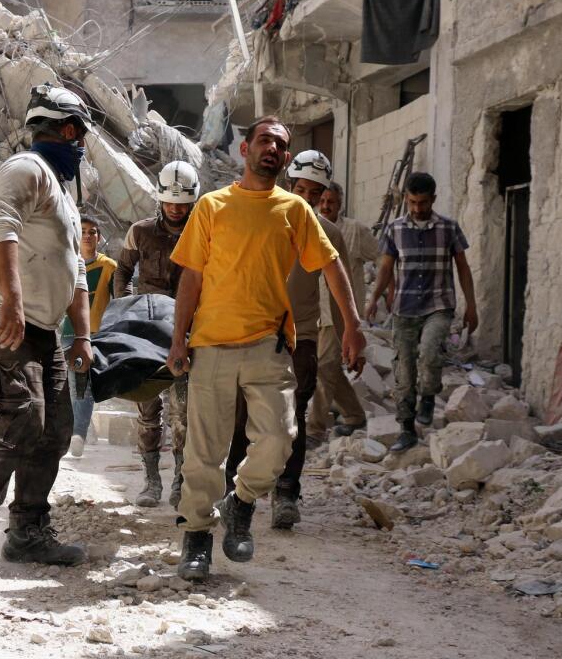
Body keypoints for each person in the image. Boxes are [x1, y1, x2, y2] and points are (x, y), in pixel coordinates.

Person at [167, 117, 366, 582]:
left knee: (279, 439)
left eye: (281, 144)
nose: (272, 149)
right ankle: (197, 537)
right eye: (265, 141)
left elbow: (332, 268)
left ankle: (240, 502)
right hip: (211, 345)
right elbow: (191, 276)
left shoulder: (294, 209)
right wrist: (178, 339)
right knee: (204, 451)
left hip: (269, 345)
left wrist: (352, 326)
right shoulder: (212, 207)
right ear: (244, 149)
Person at [0, 83, 93, 566]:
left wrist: (83, 334)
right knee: (23, 413)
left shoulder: (61, 191)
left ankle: (27, 531)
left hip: (43, 327)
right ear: (68, 131)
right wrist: (10, 301)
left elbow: (76, 268)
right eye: (80, 137)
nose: (82, 147)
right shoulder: (27, 169)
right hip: (2, 315)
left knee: (56, 428)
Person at [223, 150, 353, 530]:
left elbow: (340, 289)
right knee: (241, 413)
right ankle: (232, 490)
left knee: (292, 416)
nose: (308, 198)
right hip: (250, 332)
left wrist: (348, 336)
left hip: (301, 338)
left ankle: (286, 492)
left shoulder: (328, 233)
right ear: (287, 183)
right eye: (301, 189)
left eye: (316, 193)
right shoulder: (260, 219)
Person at [366, 172, 477, 453]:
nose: (417, 209)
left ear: (433, 200)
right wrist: (373, 299)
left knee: (429, 353)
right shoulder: (395, 229)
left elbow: (463, 268)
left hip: (438, 305)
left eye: (423, 203)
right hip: (405, 309)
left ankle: (428, 395)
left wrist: (471, 306)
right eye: (413, 202)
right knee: (403, 371)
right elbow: (386, 268)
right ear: (406, 199)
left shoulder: (449, 228)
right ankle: (406, 427)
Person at [114, 160, 199, 509]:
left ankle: (180, 479)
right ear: (160, 200)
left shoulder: (204, 231)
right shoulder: (141, 231)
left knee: (183, 412)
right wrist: (127, 311)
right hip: (148, 333)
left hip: (190, 333)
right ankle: (151, 481)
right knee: (148, 411)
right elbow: (122, 271)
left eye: (182, 204)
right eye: (170, 203)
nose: (176, 209)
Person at [309, 181, 380, 442]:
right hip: (315, 312)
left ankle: (314, 429)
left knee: (324, 367)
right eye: (323, 201)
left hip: (341, 313)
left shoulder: (355, 232)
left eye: (332, 202)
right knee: (327, 368)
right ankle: (353, 414)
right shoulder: (309, 226)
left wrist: (383, 292)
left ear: (340, 204)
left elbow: (383, 258)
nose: (326, 206)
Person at [66, 216, 117, 458]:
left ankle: (78, 433)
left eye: (93, 232)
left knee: (83, 384)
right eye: (83, 231)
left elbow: (119, 300)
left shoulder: (109, 267)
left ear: (99, 237)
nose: (87, 235)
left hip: (92, 334)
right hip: (64, 330)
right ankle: (76, 430)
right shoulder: (66, 262)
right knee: (66, 385)